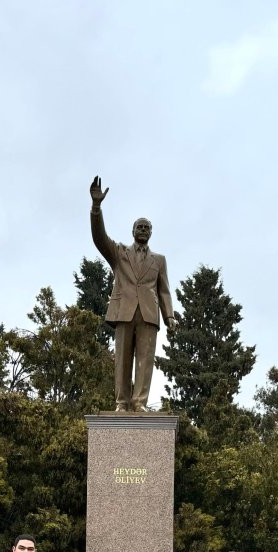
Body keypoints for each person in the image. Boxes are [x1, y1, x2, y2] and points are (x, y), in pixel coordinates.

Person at [89, 175, 176, 411]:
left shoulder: (159, 260)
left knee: (145, 362)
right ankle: (122, 403)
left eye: (147, 228)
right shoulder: (119, 253)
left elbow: (164, 290)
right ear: (132, 231)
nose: (144, 230)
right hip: (124, 311)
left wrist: (169, 316)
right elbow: (99, 239)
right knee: (123, 361)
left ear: (151, 233)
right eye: (140, 227)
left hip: (148, 313)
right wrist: (96, 208)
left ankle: (139, 403)